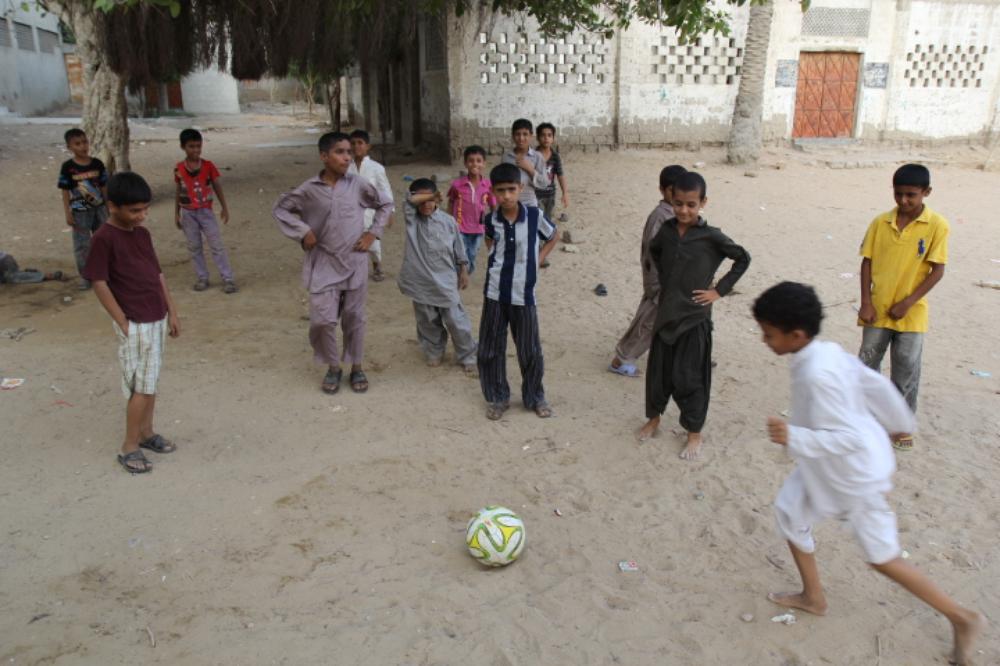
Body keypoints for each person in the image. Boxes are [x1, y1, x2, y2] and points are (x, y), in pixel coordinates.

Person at [753, 281, 983, 666]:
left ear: (796, 335)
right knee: (790, 511)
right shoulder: (823, 352)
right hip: (826, 467)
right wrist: (899, 421)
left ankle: (962, 618)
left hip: (854, 477)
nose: (765, 340)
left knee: (882, 557)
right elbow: (872, 383)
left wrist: (794, 436)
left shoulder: (817, 373)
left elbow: (848, 437)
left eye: (769, 334)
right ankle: (814, 597)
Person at [637, 172, 750, 460]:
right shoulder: (666, 231)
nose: (684, 211)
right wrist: (667, 283)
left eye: (691, 204)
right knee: (658, 375)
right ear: (670, 200)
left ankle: (694, 433)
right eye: (678, 204)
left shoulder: (711, 237)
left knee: (692, 378)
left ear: (703, 203)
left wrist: (718, 291)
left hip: (695, 320)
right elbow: (654, 251)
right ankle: (654, 419)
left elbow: (742, 258)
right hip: (666, 316)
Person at [273, 131, 393, 395]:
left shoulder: (358, 184)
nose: (347, 157)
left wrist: (372, 234)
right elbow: (281, 209)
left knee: (354, 318)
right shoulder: (309, 190)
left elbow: (385, 204)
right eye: (340, 152)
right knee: (322, 321)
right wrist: (303, 231)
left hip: (355, 261)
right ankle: (333, 366)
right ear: (324, 156)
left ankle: (356, 366)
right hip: (324, 262)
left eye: (349, 152)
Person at [82, 172, 181, 474]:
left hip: (156, 317)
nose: (142, 215)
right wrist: (122, 321)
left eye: (145, 209)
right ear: (113, 206)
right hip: (136, 323)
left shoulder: (142, 234)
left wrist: (172, 310)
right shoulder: (103, 238)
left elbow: (157, 274)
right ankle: (129, 446)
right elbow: (99, 282)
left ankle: (147, 433)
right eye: (135, 210)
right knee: (141, 387)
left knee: (150, 382)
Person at [857, 164, 947, 452]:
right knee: (868, 364)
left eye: (911, 195)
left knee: (906, 368)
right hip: (878, 309)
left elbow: (937, 270)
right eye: (898, 194)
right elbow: (867, 262)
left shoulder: (937, 226)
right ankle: (866, 420)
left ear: (926, 192)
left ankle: (901, 424)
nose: (904, 200)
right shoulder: (880, 222)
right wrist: (866, 302)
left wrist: (908, 302)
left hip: (912, 313)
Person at [477, 163, 559, 421]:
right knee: (491, 348)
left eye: (511, 189)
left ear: (520, 188)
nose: (506, 196)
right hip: (495, 292)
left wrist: (537, 259)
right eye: (500, 190)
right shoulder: (490, 220)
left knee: (529, 349)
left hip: (524, 293)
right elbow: (490, 241)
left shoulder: (534, 216)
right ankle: (498, 396)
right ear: (493, 192)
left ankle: (535, 396)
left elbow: (553, 236)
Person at [609, 165, 687, 378]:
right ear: (663, 190)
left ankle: (688, 356)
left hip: (675, 279)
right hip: (661, 279)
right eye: (673, 190)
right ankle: (621, 359)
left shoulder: (678, 213)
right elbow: (653, 252)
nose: (678, 195)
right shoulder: (660, 217)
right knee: (649, 321)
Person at [398, 178, 478, 376]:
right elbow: (408, 201)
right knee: (427, 321)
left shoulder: (448, 221)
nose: (426, 204)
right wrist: (430, 195)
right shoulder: (413, 220)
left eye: (431, 200)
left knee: (456, 320)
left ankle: (468, 355)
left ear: (437, 200)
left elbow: (459, 248)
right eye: (422, 200)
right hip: (420, 282)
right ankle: (434, 350)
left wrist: (463, 270)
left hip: (446, 281)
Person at [174, 128, 238, 294]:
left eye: (198, 146)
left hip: (206, 212)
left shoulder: (208, 166)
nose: (196, 150)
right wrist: (176, 213)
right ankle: (202, 277)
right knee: (194, 247)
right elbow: (178, 190)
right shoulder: (179, 168)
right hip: (188, 213)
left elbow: (217, 186)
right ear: (183, 147)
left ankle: (228, 278)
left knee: (216, 245)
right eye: (191, 146)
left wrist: (224, 207)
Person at [58, 128, 108, 290]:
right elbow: (65, 191)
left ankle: (104, 273)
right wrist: (68, 213)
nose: (82, 146)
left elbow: (104, 186)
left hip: (100, 209)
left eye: (85, 142)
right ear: (69, 147)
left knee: (102, 242)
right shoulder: (67, 167)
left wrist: (109, 207)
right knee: (82, 245)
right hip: (79, 212)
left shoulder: (97, 164)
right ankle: (86, 276)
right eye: (77, 144)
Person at [347, 129, 394, 282]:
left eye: (360, 143)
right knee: (351, 238)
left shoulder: (376, 168)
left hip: (371, 211)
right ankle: (353, 268)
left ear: (368, 146)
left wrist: (390, 211)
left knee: (372, 240)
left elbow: (385, 189)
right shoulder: (346, 167)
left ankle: (377, 264)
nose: (356, 146)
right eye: (353, 143)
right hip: (350, 210)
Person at [447, 145, 495, 274]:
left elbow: (493, 205)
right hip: (460, 226)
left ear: (484, 163)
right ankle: (460, 275)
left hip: (479, 228)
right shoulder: (457, 184)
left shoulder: (488, 185)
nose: (475, 164)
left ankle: (466, 273)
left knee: (472, 254)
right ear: (465, 163)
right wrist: (449, 220)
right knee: (461, 254)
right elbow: (451, 201)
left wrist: (495, 222)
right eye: (471, 161)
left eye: (478, 161)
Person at [500, 118, 550, 208]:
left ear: (531, 136)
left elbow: (544, 184)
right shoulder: (506, 157)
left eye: (525, 134)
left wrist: (530, 169)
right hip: (509, 202)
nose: (521, 138)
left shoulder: (537, 156)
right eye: (517, 134)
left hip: (529, 202)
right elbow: (502, 181)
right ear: (513, 136)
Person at [534, 122, 568, 222]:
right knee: (538, 219)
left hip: (550, 194)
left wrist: (565, 193)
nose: (546, 138)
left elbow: (560, 175)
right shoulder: (533, 155)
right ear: (537, 138)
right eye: (543, 135)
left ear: (553, 138)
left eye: (549, 135)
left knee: (548, 219)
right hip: (535, 195)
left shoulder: (555, 156)